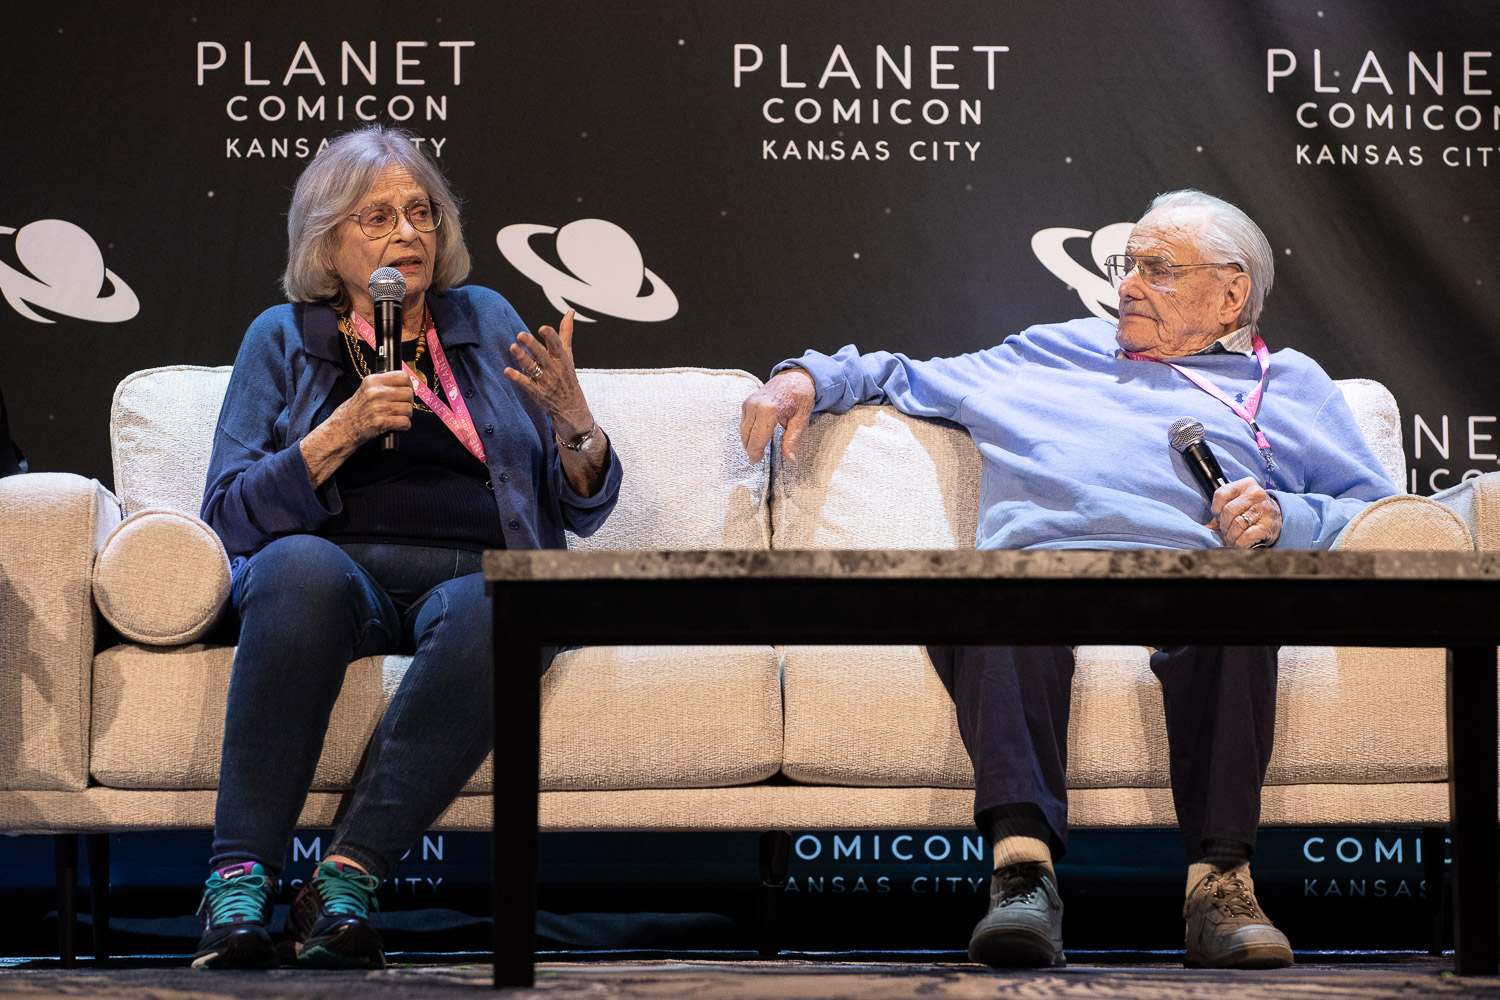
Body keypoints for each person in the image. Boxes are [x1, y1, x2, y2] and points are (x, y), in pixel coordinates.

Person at [739, 190, 1397, 970]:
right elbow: (895, 374)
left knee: (1238, 602)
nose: (1126, 285)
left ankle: (1220, 888)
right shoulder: (1045, 353)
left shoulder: (1288, 385)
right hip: (1038, 568)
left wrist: (1285, 516)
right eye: (1128, 265)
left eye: (1158, 269)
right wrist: (801, 378)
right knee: (990, 598)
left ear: (1232, 293)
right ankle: (1021, 875)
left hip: (1191, 574)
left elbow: (1377, 515)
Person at [193, 124, 621, 970]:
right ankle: (238, 882)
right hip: (331, 567)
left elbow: (583, 509)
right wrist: (337, 434)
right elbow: (227, 518)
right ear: (328, 240)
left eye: (420, 212)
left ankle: (345, 879)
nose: (408, 233)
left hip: (473, 572)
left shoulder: (485, 318)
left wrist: (578, 423)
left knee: (516, 600)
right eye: (378, 216)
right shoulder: (280, 338)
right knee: (290, 567)